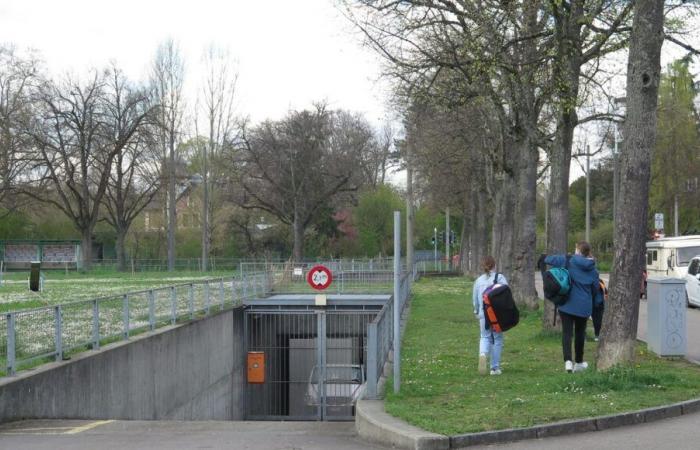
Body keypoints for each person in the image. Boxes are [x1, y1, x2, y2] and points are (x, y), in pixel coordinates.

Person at [544, 241, 602, 373]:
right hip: (584, 306)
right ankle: (579, 362)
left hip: (567, 304)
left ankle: (568, 362)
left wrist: (546, 257)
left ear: (577, 250)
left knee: (567, 333)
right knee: (580, 333)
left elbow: (549, 259)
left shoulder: (569, 260)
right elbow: (595, 289)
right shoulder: (593, 269)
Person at [472, 255, 508, 376]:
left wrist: (477, 311)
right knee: (497, 339)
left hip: (483, 314)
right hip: (497, 315)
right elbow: (507, 295)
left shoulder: (478, 281)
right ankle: (494, 368)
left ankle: (482, 354)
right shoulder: (500, 278)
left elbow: (475, 300)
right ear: (494, 265)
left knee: (484, 336)